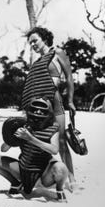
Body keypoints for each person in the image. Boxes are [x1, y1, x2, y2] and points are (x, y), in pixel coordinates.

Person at [21, 27, 77, 190]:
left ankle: (72, 179)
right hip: (39, 107)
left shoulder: (58, 52)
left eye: (35, 40)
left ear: (44, 38)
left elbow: (69, 77)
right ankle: (41, 176)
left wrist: (71, 101)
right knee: (40, 138)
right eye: (30, 43)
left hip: (55, 101)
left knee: (61, 140)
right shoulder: (37, 62)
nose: (33, 45)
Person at [0, 97, 69, 202]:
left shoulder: (53, 129)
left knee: (61, 168)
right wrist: (13, 136)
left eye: (42, 109)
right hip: (23, 168)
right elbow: (3, 149)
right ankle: (16, 183)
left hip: (45, 173)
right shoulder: (23, 126)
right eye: (36, 109)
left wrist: (30, 138)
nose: (38, 112)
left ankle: (59, 190)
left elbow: (54, 150)